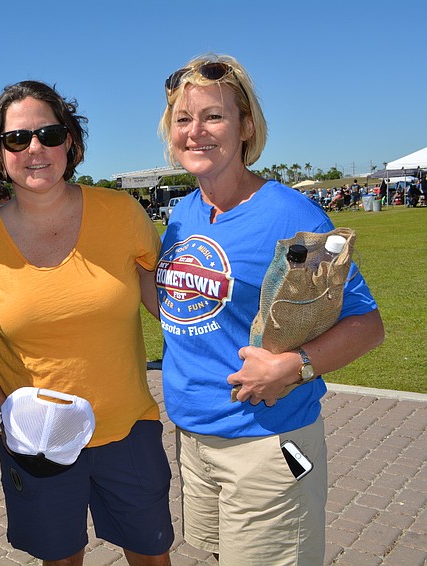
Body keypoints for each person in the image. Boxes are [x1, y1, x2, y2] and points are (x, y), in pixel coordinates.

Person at [154, 54, 384, 564]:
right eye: (183, 119)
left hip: (268, 444)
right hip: (194, 440)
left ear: (246, 127)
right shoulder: (184, 212)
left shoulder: (291, 213)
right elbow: (184, 307)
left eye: (213, 116)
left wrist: (293, 365)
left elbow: (367, 323)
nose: (196, 132)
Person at [0, 80, 173, 566]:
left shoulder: (121, 213)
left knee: (152, 556)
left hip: (128, 431)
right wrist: (3, 413)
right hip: (37, 442)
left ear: (71, 143)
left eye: (49, 134)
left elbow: (168, 304)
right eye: (16, 139)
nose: (34, 148)